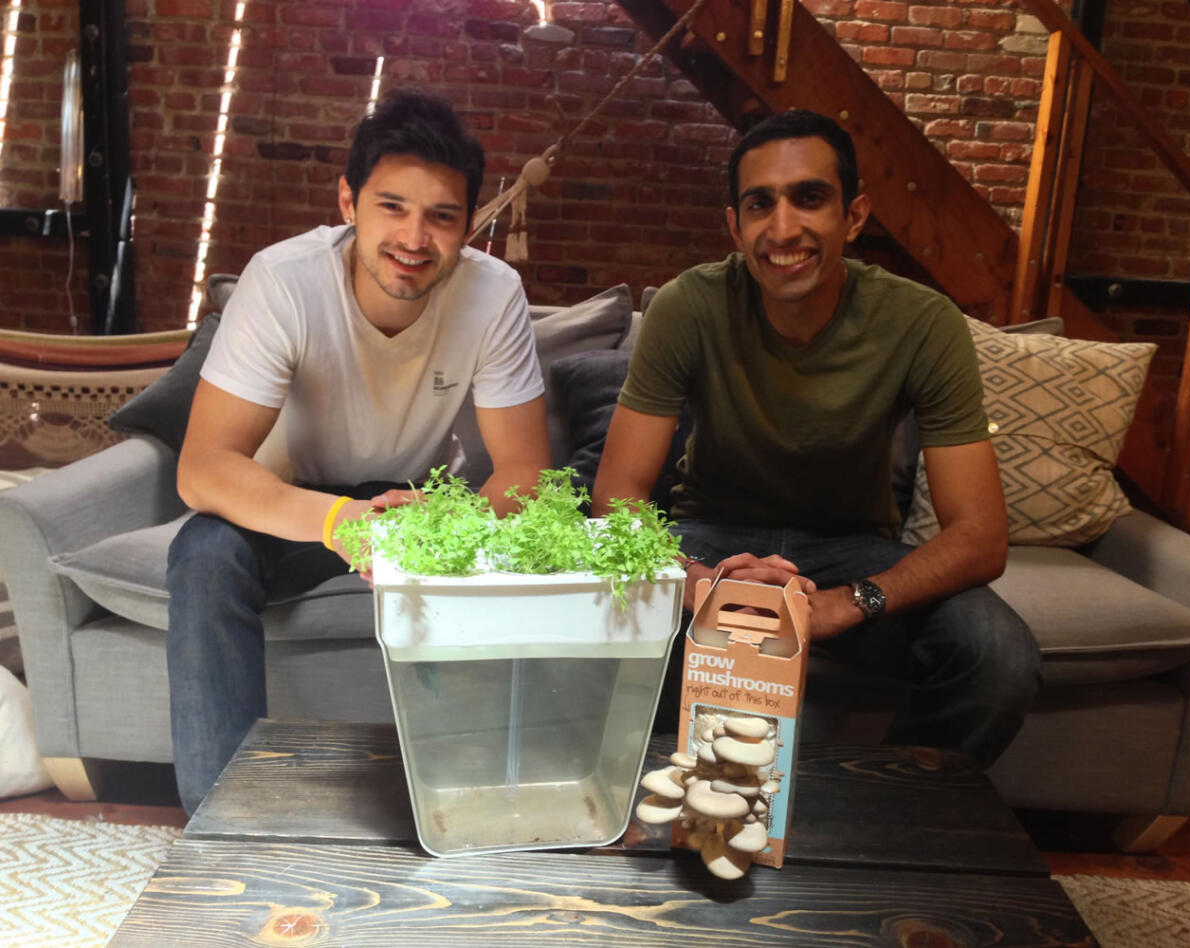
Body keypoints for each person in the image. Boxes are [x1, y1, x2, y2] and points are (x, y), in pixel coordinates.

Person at [592, 110, 1040, 766]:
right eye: (759, 204)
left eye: (809, 198)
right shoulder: (689, 306)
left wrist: (846, 604)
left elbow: (980, 536)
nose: (783, 228)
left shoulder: (923, 322)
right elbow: (618, 496)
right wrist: (696, 585)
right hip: (711, 533)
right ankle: (664, 805)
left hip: (852, 549)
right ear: (734, 225)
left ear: (853, 217)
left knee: (998, 655)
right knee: (599, 615)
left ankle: (878, 808)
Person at [166, 89, 551, 812]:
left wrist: (445, 527)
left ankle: (482, 803)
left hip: (421, 502)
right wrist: (342, 521)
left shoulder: (494, 294)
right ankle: (222, 821)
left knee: (530, 544)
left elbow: (526, 471)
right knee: (203, 551)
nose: (415, 238)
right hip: (293, 504)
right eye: (392, 207)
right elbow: (204, 468)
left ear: (471, 226)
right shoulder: (283, 282)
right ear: (348, 201)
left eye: (442, 216)